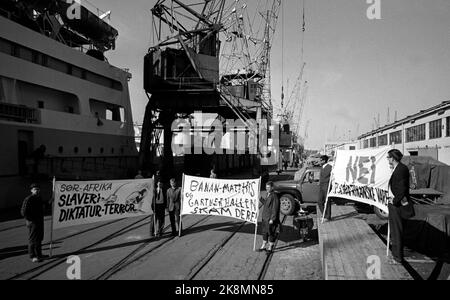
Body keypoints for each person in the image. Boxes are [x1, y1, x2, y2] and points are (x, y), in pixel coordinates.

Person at [387, 149, 415, 264]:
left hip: (397, 205)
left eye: (388, 157)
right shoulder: (397, 168)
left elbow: (402, 189)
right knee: (396, 230)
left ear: (392, 158)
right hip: (395, 203)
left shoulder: (401, 169)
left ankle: (397, 258)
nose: (387, 160)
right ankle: (396, 255)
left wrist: (394, 200)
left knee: (396, 231)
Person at [21, 183, 45, 263]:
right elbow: (23, 212)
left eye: (38, 189)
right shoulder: (29, 199)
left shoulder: (39, 198)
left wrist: (50, 201)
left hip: (39, 221)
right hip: (33, 222)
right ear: (31, 190)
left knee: (39, 239)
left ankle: (39, 254)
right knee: (32, 240)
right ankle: (33, 256)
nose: (37, 191)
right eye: (35, 189)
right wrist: (31, 220)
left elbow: (44, 207)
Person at [259, 181, 280, 253]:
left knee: (271, 232)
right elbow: (266, 204)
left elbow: (275, 208)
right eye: (266, 187)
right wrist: (260, 198)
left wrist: (272, 219)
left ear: (272, 187)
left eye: (268, 187)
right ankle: (264, 245)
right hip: (264, 217)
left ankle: (270, 247)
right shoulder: (268, 194)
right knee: (264, 231)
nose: (266, 189)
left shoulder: (274, 196)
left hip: (270, 218)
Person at [318, 155, 333, 221]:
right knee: (319, 201)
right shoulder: (322, 167)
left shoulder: (330, 167)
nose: (320, 161)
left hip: (327, 186)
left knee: (327, 202)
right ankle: (325, 214)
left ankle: (328, 216)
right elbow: (321, 176)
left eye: (321, 160)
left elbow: (332, 176)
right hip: (321, 186)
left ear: (324, 160)